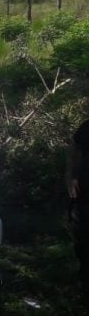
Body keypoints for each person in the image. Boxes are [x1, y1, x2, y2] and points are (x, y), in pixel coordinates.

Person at [67, 119, 89, 294]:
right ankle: (84, 282)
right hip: (84, 198)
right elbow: (74, 154)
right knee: (82, 241)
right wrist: (71, 178)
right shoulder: (85, 128)